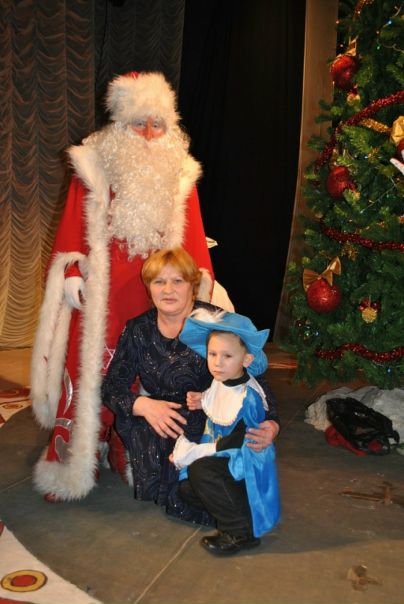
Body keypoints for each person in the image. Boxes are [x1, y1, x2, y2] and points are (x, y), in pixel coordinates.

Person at [30, 71, 220, 502]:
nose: (150, 134)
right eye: (139, 123)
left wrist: (198, 280)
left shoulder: (180, 173)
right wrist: (72, 270)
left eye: (157, 124)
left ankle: (129, 445)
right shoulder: (93, 165)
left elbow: (193, 233)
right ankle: (80, 452)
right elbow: (73, 222)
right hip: (103, 292)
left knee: (149, 367)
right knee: (91, 365)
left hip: (159, 291)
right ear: (121, 124)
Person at [101, 247, 280, 525]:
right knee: (147, 440)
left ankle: (233, 512)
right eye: (159, 281)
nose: (168, 289)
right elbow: (112, 385)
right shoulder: (138, 329)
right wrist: (143, 405)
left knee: (198, 488)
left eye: (178, 281)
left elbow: (253, 377)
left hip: (211, 417)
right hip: (157, 416)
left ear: (192, 285)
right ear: (149, 287)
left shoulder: (217, 323)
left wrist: (272, 423)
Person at [170, 307, 281, 555]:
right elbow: (218, 399)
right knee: (187, 488)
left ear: (246, 360)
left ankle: (241, 532)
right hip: (225, 453)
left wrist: (193, 452)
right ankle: (236, 508)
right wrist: (203, 400)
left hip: (243, 458)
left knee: (201, 470)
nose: (217, 362)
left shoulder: (248, 397)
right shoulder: (221, 381)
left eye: (227, 356)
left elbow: (236, 441)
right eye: (212, 354)